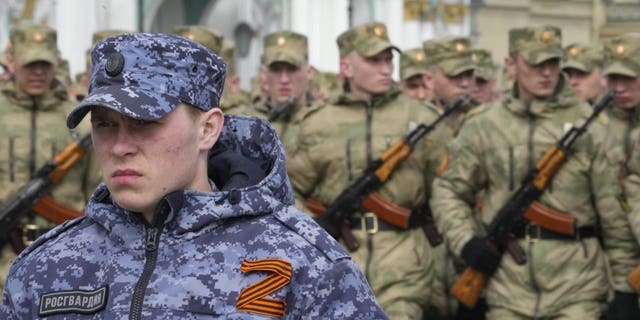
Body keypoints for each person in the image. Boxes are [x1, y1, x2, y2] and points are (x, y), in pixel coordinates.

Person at [0, 32, 386, 319]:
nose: (120, 147)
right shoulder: (43, 267)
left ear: (207, 129)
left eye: (145, 122)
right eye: (104, 125)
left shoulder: (301, 261)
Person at [430, 25, 639, 319]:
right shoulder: (484, 126)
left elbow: (615, 220)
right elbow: (448, 189)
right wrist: (466, 241)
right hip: (506, 289)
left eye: (553, 63)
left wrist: (624, 289)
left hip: (577, 288)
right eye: (536, 63)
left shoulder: (590, 128)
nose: (546, 72)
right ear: (511, 64)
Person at [287, 21, 446, 319]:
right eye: (374, 60)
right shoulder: (317, 124)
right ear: (346, 67)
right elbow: (288, 188)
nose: (386, 69)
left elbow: (446, 190)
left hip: (404, 267)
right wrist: (314, 231)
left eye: (389, 60)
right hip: (336, 264)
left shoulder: (421, 119)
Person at [0, 25, 96, 297]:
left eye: (45, 64)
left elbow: (97, 190)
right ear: (12, 61)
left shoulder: (80, 120)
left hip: (67, 257)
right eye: (31, 64)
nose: (39, 72)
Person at [604, 33, 640, 319]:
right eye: (613, 79)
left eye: (629, 78)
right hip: (604, 264)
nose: (619, 88)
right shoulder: (594, 127)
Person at [254, 30, 316, 155]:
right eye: (276, 70)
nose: (284, 79)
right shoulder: (249, 123)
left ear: (309, 72)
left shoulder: (323, 122)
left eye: (292, 69)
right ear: (264, 74)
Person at [423, 36, 477, 134]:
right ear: (429, 79)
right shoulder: (417, 122)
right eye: (454, 75)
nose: (465, 83)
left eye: (469, 74)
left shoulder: (487, 122)